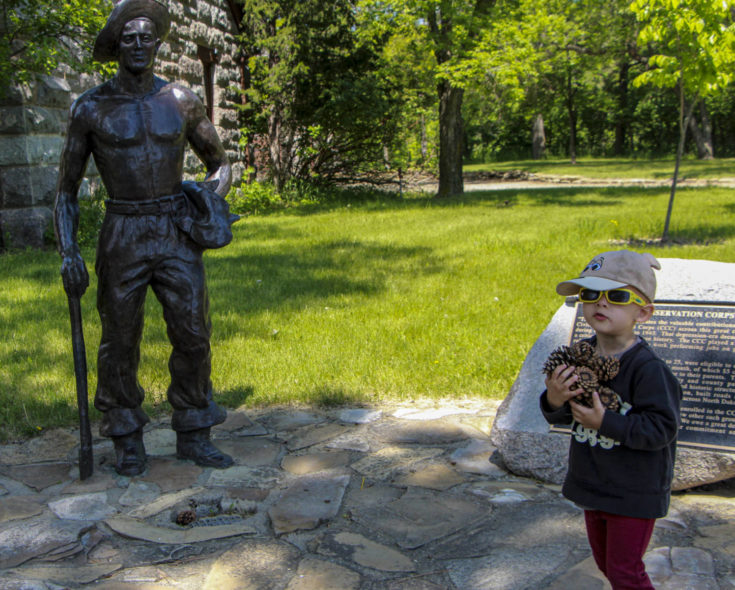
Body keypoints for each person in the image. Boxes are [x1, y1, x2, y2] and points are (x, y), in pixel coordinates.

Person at [54, 0, 235, 476]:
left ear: (158, 43)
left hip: (175, 228)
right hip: (124, 231)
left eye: (146, 38)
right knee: (119, 339)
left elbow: (221, 162)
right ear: (116, 45)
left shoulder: (180, 100)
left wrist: (207, 204)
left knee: (194, 332)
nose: (138, 45)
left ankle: (195, 430)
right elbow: (66, 194)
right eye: (128, 38)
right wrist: (68, 252)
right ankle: (125, 435)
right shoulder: (90, 108)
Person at [540, 250, 682, 589]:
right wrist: (554, 399)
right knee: (607, 565)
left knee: (625, 571)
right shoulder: (581, 356)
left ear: (643, 312)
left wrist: (606, 423)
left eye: (616, 296)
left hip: (633, 490)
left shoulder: (649, 370)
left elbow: (661, 429)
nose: (600, 304)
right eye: (590, 294)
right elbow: (563, 414)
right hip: (594, 482)